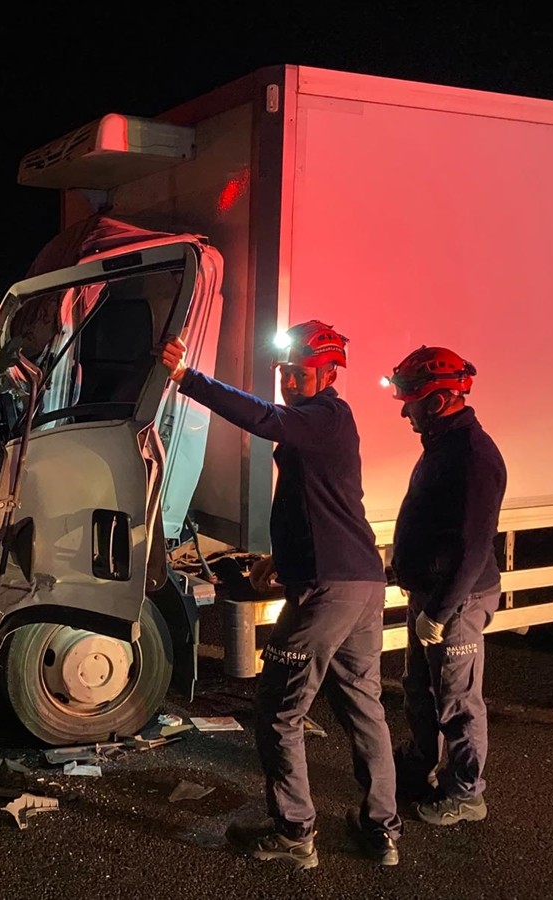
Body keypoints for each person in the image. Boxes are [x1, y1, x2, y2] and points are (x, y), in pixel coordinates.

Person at [162, 320, 402, 869]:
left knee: (278, 709)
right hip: (357, 581)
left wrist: (187, 377)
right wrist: (285, 562)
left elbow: (264, 420)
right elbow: (316, 503)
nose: (290, 382)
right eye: (285, 373)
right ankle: (381, 830)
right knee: (364, 709)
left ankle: (294, 832)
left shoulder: (326, 416)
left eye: (300, 374)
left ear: (329, 373)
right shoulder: (322, 422)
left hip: (330, 590)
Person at [384, 346, 506, 826]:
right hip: (433, 596)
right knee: (421, 688)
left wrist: (441, 610)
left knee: (457, 700)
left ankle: (467, 791)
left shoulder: (474, 456)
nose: (404, 410)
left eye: (411, 399)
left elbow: (474, 546)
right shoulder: (444, 447)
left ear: (436, 402)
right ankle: (421, 761)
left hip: (458, 600)